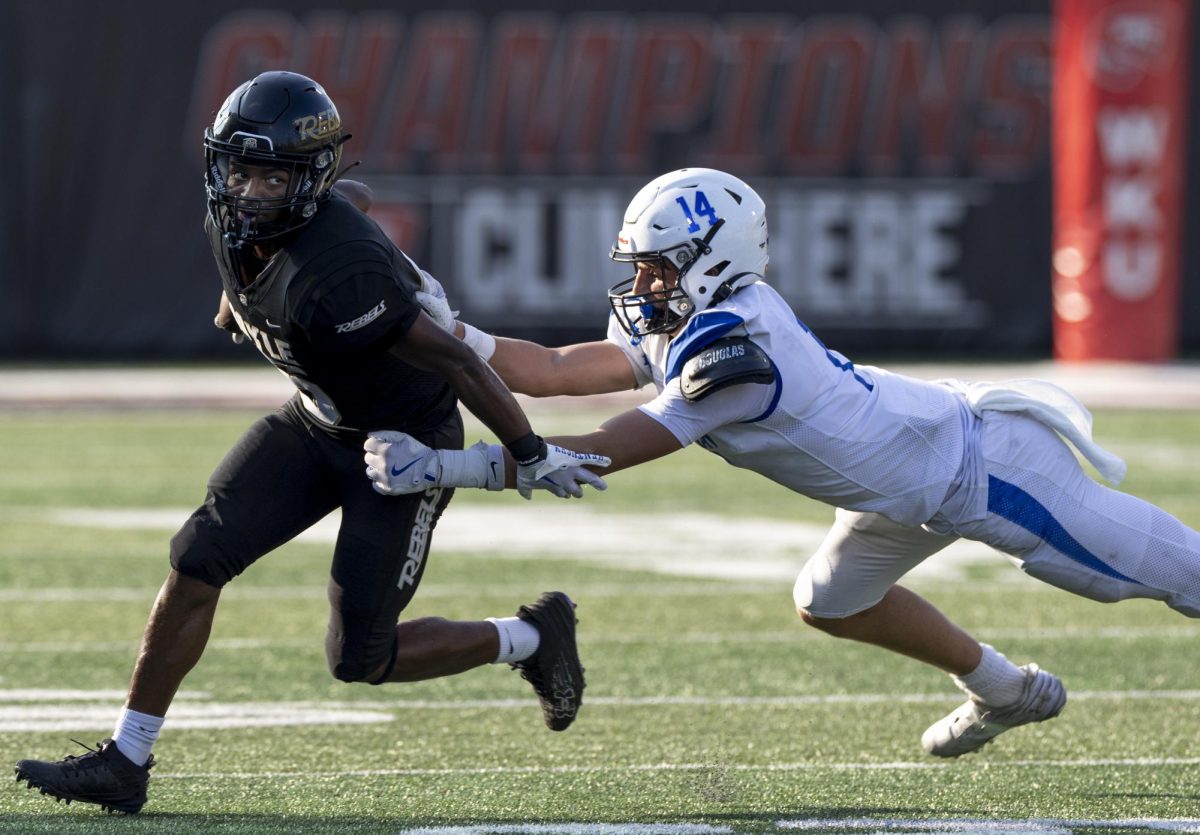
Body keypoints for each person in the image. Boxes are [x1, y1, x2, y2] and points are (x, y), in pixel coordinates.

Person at [365, 166, 1200, 762]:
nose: (646, 283)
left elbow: (604, 450)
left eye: (660, 265)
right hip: (910, 484)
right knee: (831, 600)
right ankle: (1005, 688)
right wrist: (459, 335)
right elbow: (552, 373)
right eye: (643, 266)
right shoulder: (695, 319)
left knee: (1179, 576)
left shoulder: (737, 346)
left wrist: (451, 468)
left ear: (713, 256)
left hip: (988, 469)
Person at [13, 71, 606, 815]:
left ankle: (530, 637)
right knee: (196, 560)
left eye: (272, 175)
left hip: (400, 447)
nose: (249, 189)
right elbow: (339, 208)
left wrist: (530, 447)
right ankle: (126, 760)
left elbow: (458, 361)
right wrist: (241, 303)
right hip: (314, 422)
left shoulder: (344, 274)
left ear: (308, 179)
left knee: (361, 657)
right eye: (240, 168)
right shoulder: (231, 219)